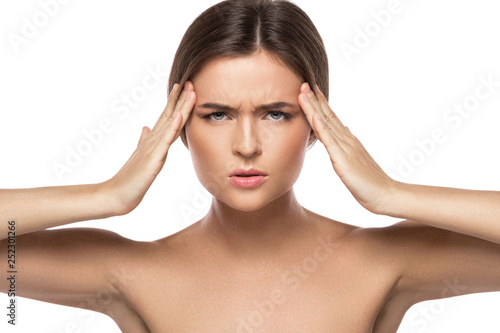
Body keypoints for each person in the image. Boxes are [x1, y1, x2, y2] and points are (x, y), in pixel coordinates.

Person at [1, 0, 500, 332]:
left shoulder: (388, 261)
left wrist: (393, 195)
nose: (246, 144)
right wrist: (106, 196)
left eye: (275, 114)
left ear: (316, 124)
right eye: (216, 114)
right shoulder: (127, 271)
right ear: (178, 126)